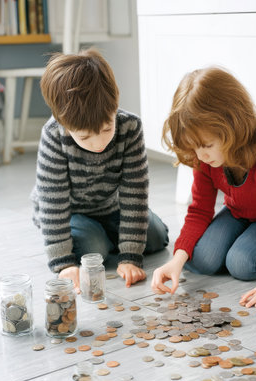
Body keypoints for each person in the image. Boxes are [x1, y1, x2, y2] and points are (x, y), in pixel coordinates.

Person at [151, 67, 256, 308]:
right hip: (241, 211)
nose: (201, 155)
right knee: (201, 261)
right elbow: (199, 211)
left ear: (233, 127)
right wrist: (176, 260)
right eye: (193, 147)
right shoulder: (203, 157)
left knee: (241, 264)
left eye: (206, 145)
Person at [31, 48, 168, 290]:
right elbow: (54, 202)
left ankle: (110, 236)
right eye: (84, 137)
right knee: (95, 248)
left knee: (156, 236)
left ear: (115, 107)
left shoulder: (130, 127)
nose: (98, 143)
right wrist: (63, 263)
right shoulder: (54, 135)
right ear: (63, 122)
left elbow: (134, 193)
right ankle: (93, 237)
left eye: (106, 129)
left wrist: (130, 256)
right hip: (69, 211)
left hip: (109, 206)